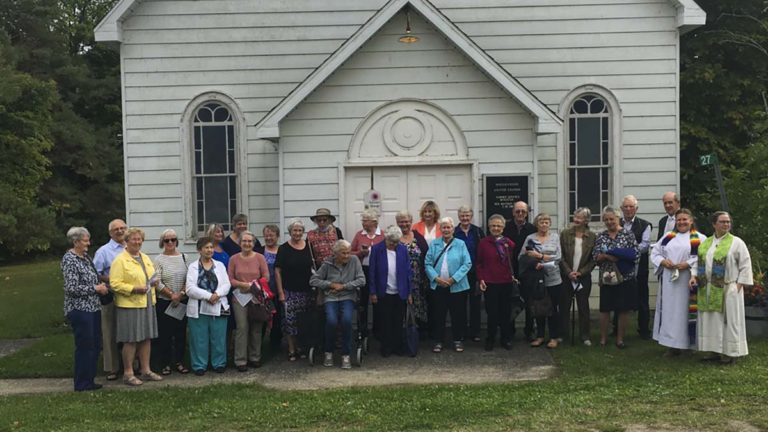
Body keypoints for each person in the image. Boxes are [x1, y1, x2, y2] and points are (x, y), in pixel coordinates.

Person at [692, 212, 753, 364]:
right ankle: (713, 352)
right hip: (708, 288)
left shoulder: (736, 242)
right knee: (711, 321)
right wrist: (694, 276)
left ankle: (730, 353)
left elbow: (745, 265)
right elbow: (698, 262)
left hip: (728, 287)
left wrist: (738, 285)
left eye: (728, 222)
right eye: (722, 222)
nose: (726, 224)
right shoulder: (706, 243)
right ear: (714, 224)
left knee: (729, 321)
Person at [109, 227, 162, 386]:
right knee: (131, 339)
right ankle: (128, 372)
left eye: (139, 239)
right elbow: (115, 284)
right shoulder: (120, 260)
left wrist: (154, 282)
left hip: (147, 302)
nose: (137, 242)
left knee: (146, 337)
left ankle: (145, 370)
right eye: (134, 239)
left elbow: (151, 276)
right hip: (130, 305)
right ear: (126, 241)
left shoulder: (145, 257)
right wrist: (133, 289)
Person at [61, 227, 109, 391]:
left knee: (95, 344)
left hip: (93, 307)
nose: (88, 243)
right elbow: (71, 288)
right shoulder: (70, 259)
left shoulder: (86, 257)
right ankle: (81, 382)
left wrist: (100, 286)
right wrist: (95, 289)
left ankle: (90, 379)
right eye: (85, 240)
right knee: (84, 345)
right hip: (80, 310)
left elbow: (92, 279)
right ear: (76, 242)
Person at [652, 208, 704, 356]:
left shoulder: (700, 238)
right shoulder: (668, 237)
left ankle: (689, 344)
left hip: (688, 281)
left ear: (691, 220)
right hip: (670, 282)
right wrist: (663, 262)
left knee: (686, 312)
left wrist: (688, 263)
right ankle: (671, 345)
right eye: (679, 219)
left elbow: (704, 257)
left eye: (684, 219)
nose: (681, 222)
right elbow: (655, 252)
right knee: (670, 312)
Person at [310, 240, 365, 369]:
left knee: (346, 320)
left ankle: (345, 354)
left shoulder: (354, 260)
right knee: (331, 321)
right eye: (343, 253)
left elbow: (362, 280)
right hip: (331, 297)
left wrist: (344, 286)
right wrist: (330, 284)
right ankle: (328, 352)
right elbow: (313, 280)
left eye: (348, 252)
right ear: (335, 254)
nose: (347, 256)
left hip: (348, 296)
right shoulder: (327, 263)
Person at [424, 217, 472, 353]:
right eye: (443, 227)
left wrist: (453, 279)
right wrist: (436, 278)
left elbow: (467, 263)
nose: (446, 230)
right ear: (440, 229)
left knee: (458, 315)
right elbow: (427, 263)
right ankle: (438, 341)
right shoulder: (434, 244)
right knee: (438, 315)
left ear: (453, 229)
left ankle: (458, 340)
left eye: (448, 227)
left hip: (457, 286)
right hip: (438, 286)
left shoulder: (460, 244)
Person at [594, 206, 639, 349]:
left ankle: (620, 339)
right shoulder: (601, 236)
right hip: (607, 278)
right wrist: (606, 256)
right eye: (606, 220)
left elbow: (636, 254)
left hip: (625, 277)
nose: (609, 222)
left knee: (623, 309)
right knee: (605, 309)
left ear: (618, 219)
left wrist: (618, 255)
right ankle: (603, 339)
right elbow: (595, 256)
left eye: (611, 219)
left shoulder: (628, 234)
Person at [186, 237, 232, 375]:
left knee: (219, 337)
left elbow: (227, 284)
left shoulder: (220, 265)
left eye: (211, 247)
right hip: (199, 307)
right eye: (206, 247)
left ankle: (219, 363)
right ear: (199, 250)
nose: (209, 250)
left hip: (217, 304)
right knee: (199, 338)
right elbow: (189, 288)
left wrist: (216, 294)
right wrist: (208, 296)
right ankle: (199, 365)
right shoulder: (193, 266)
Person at [228, 231, 270, 371]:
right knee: (242, 327)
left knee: (256, 328)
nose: (247, 244)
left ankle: (255, 357)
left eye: (249, 241)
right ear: (240, 243)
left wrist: (255, 284)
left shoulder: (260, 258)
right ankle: (240, 360)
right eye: (244, 241)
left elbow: (266, 277)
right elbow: (230, 279)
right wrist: (243, 285)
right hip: (239, 297)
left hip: (256, 296)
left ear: (253, 243)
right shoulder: (233, 259)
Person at [520, 213, 563, 349]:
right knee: (539, 309)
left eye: (546, 222)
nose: (544, 225)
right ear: (536, 224)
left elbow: (558, 257)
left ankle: (553, 337)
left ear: (550, 224)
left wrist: (541, 256)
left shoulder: (555, 237)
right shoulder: (530, 238)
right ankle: (539, 336)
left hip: (553, 278)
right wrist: (534, 263)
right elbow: (522, 257)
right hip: (537, 279)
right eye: (541, 222)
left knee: (553, 309)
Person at [369, 226, 413, 357]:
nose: (393, 244)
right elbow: (372, 272)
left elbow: (408, 272)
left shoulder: (403, 249)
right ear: (385, 238)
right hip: (383, 291)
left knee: (398, 320)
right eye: (391, 242)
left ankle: (398, 346)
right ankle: (386, 347)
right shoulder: (377, 249)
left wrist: (409, 292)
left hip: (400, 291)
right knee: (385, 321)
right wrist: (373, 292)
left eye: (396, 242)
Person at [275, 219, 315, 361]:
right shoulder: (283, 248)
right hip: (289, 291)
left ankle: (301, 347)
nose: (297, 233)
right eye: (294, 230)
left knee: (303, 322)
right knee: (289, 321)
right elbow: (278, 271)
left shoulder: (309, 246)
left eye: (300, 230)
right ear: (290, 231)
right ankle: (291, 348)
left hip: (307, 291)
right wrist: (280, 293)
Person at [152, 229, 190, 375]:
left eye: (173, 239)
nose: (170, 243)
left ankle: (179, 362)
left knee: (180, 334)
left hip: (182, 301)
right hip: (164, 302)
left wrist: (180, 294)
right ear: (162, 242)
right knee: (165, 335)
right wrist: (171, 295)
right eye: (167, 240)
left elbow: (190, 278)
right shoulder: (158, 260)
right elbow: (157, 281)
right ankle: (165, 363)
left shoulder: (185, 258)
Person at [476, 214, 516, 351]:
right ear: (489, 227)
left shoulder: (508, 243)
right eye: (493, 225)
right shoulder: (483, 243)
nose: (496, 228)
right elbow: (479, 263)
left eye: (499, 226)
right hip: (490, 282)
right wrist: (481, 278)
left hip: (505, 281)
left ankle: (506, 339)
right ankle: (490, 338)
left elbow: (513, 261)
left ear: (503, 227)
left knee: (505, 312)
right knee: (492, 313)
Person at [93, 218, 126, 381]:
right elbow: (95, 274)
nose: (120, 231)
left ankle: (131, 366)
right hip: (111, 296)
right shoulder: (103, 252)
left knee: (128, 332)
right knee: (110, 332)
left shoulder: (131, 248)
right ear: (110, 233)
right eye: (116, 229)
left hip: (130, 297)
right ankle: (112, 368)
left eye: (122, 228)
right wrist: (112, 280)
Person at [558, 207, 597, 346]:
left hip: (583, 277)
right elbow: (560, 256)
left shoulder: (592, 236)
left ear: (586, 220)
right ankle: (563, 334)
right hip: (566, 276)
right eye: (575, 217)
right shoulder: (565, 234)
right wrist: (569, 272)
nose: (576, 220)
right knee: (564, 306)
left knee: (583, 306)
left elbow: (594, 259)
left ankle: (585, 335)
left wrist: (581, 272)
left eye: (579, 218)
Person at [619, 195, 653, 340]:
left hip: (640, 268)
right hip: (620, 267)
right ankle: (617, 329)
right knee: (619, 298)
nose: (628, 209)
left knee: (642, 299)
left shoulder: (645, 225)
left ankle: (644, 330)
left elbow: (645, 246)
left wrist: (627, 252)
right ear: (621, 209)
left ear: (636, 208)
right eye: (625, 206)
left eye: (631, 206)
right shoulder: (616, 222)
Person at [503, 201, 537, 340]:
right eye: (517, 211)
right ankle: (509, 331)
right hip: (509, 270)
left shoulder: (532, 229)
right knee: (510, 303)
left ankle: (529, 331)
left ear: (527, 213)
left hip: (527, 271)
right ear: (513, 212)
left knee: (529, 303)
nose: (520, 214)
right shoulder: (505, 227)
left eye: (523, 211)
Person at [350, 209, 385, 339]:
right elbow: (349, 252)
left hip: (379, 272)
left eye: (365, 220)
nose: (363, 223)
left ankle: (378, 331)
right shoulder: (359, 235)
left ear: (374, 221)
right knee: (362, 302)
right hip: (363, 271)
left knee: (378, 301)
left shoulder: (382, 235)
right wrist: (360, 253)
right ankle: (362, 331)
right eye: (362, 220)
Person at [453, 205, 485, 342]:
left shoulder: (477, 232)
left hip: (474, 273)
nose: (465, 218)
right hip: (459, 274)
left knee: (475, 303)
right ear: (459, 217)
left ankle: (475, 332)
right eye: (462, 215)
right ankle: (461, 331)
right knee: (459, 304)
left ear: (471, 216)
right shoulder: (453, 232)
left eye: (467, 215)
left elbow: (483, 252)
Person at [395, 210, 430, 334]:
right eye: (401, 222)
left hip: (417, 279)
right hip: (399, 279)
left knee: (419, 305)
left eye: (407, 221)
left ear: (411, 222)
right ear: (397, 223)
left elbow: (427, 256)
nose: (404, 224)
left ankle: (418, 333)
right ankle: (402, 332)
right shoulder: (394, 238)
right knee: (400, 305)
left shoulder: (418, 237)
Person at [262, 224, 283, 350]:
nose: (269, 238)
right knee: (262, 317)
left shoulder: (282, 250)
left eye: (272, 235)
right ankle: (260, 345)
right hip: (263, 289)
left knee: (278, 317)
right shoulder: (259, 250)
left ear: (277, 236)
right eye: (266, 235)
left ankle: (275, 344)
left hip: (278, 287)